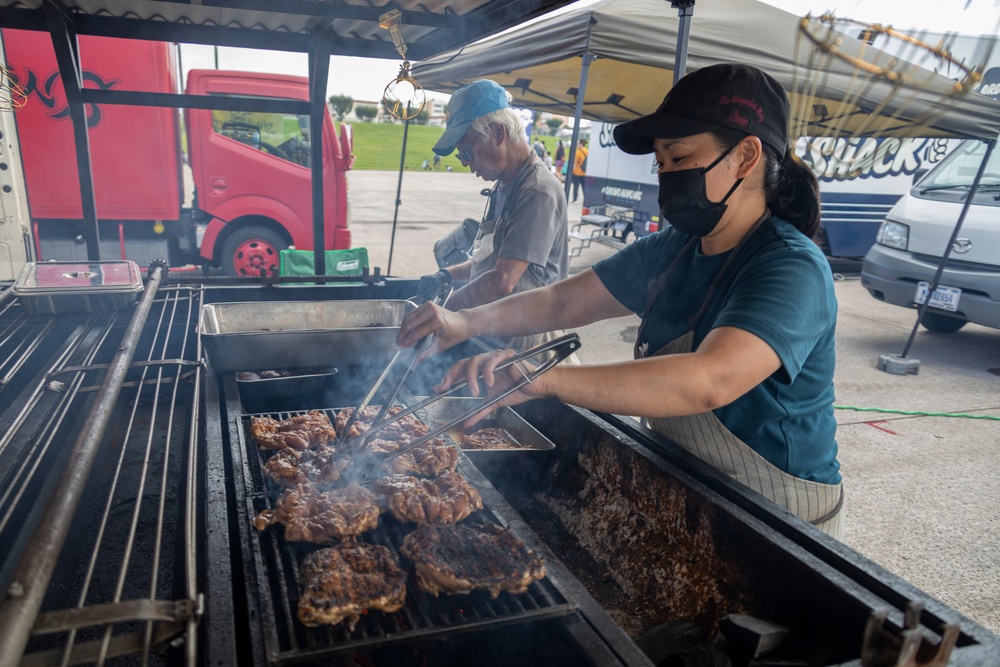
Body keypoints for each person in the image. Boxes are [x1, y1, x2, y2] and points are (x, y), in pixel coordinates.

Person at [397, 64, 844, 538]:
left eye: (680, 157)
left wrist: (543, 378)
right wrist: (462, 321)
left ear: (747, 155)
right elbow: (562, 302)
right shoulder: (673, 249)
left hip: (782, 519)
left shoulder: (790, 267)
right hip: (689, 488)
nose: (668, 176)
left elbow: (709, 379)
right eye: (661, 163)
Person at [416, 79, 570, 352]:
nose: (464, 161)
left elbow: (502, 281)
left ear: (498, 133)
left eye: (465, 150)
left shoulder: (537, 190)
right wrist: (448, 275)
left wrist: (440, 311)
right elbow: (493, 262)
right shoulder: (504, 185)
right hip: (498, 331)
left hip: (527, 343)